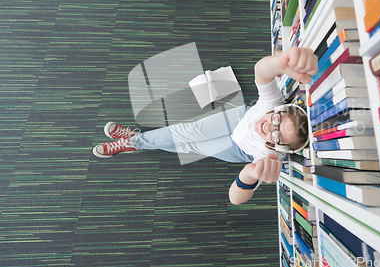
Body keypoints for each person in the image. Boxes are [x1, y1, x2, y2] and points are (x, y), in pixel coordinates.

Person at [92, 46, 318, 204]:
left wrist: (248, 175)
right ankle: (134, 141)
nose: (269, 128)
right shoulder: (273, 103)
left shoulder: (271, 158)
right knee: (187, 132)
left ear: (281, 148)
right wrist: (280, 62)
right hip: (240, 117)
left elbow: (235, 198)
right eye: (276, 120)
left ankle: (135, 142)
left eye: (277, 136)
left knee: (190, 146)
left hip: (237, 150)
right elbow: (261, 71)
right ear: (278, 111)